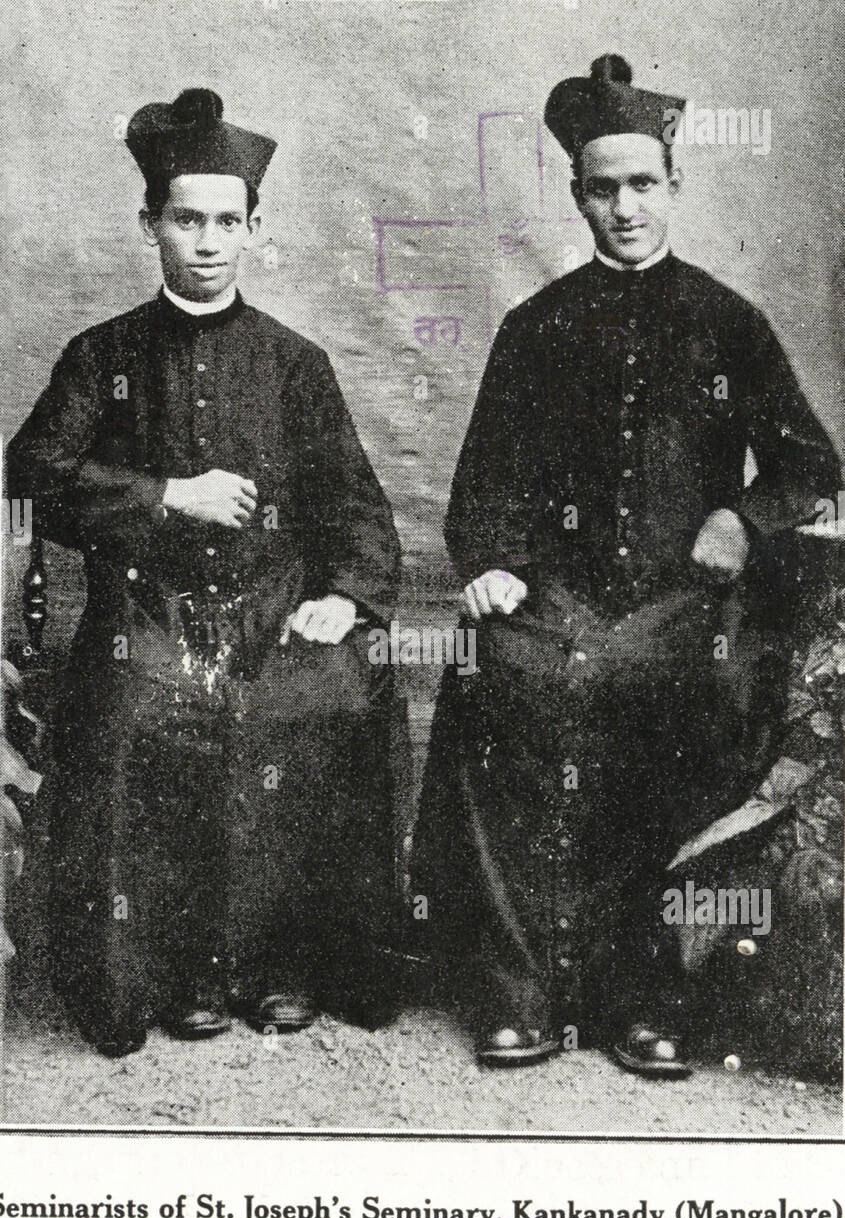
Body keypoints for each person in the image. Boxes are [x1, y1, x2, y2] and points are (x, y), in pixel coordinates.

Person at [412, 55, 841, 1076]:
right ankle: (515, 990)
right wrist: (493, 566)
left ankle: (647, 995)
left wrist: (740, 514)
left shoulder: (728, 320)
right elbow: (482, 485)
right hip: (555, 599)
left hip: (682, 600)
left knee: (693, 695)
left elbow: (810, 465)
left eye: (641, 184)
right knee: (493, 669)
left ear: (672, 186)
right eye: (601, 189)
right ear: (577, 197)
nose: (623, 207)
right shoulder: (534, 327)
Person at [6, 88, 402, 1057]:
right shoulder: (101, 356)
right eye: (188, 218)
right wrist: (162, 495)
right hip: (146, 617)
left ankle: (281, 965)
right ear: (151, 224)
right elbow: (28, 478)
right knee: (142, 709)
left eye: (229, 220)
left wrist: (341, 596)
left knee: (326, 693)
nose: (209, 240)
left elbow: (354, 499)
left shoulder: (295, 363)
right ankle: (174, 973)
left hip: (271, 612)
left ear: (255, 229)